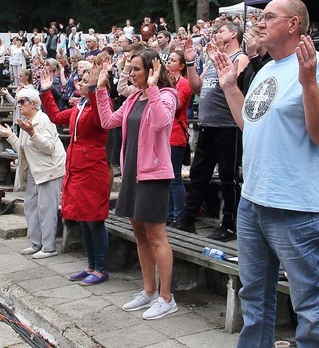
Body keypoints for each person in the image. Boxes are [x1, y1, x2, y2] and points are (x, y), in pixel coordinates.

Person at [211, 0, 319, 347]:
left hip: (293, 204)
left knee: (307, 301)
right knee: (254, 297)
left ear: (294, 24)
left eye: (268, 17)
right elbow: (248, 125)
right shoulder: (265, 69)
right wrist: (229, 88)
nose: (259, 23)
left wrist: (309, 82)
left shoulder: (318, 65)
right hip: (253, 201)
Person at [95, 47, 179, 320]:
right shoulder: (132, 99)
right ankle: (149, 291)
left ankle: (167, 298)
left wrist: (153, 88)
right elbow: (108, 121)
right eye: (130, 69)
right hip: (132, 174)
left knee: (157, 237)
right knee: (140, 236)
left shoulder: (166, 95)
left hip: (153, 175)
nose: (131, 74)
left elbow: (161, 122)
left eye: (137, 69)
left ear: (152, 70)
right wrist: (100, 90)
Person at [175, 21, 249, 241]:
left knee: (228, 178)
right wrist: (189, 61)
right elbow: (196, 86)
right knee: (199, 175)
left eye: (221, 31)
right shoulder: (211, 59)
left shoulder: (240, 58)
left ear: (233, 34)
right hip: (208, 125)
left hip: (229, 126)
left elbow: (235, 82)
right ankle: (188, 220)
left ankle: (229, 224)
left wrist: (217, 56)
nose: (216, 35)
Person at [39, 66, 111, 284]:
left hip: (92, 167)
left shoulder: (100, 104)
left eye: (85, 80)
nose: (79, 83)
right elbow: (55, 116)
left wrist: (95, 89)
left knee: (94, 219)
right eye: (80, 79)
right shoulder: (80, 106)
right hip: (77, 166)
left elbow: (102, 120)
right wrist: (47, 91)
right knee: (83, 218)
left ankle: (101, 268)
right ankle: (91, 265)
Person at [0, 87, 66, 259]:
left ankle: (49, 247)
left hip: (49, 170)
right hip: (34, 170)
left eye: (22, 102)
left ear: (34, 104)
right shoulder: (26, 121)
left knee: (46, 208)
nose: (19, 105)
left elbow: (49, 147)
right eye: (18, 102)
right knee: (31, 206)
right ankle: (36, 243)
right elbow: (22, 147)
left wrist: (32, 133)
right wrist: (10, 135)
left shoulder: (42, 120)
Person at [165, 50, 191, 226]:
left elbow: (177, 106)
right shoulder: (167, 83)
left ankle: (178, 216)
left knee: (174, 178)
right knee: (165, 178)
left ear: (181, 66)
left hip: (176, 134)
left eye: (172, 60)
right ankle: (168, 215)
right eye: (168, 59)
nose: (168, 62)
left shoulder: (184, 83)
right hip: (165, 134)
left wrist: (171, 88)